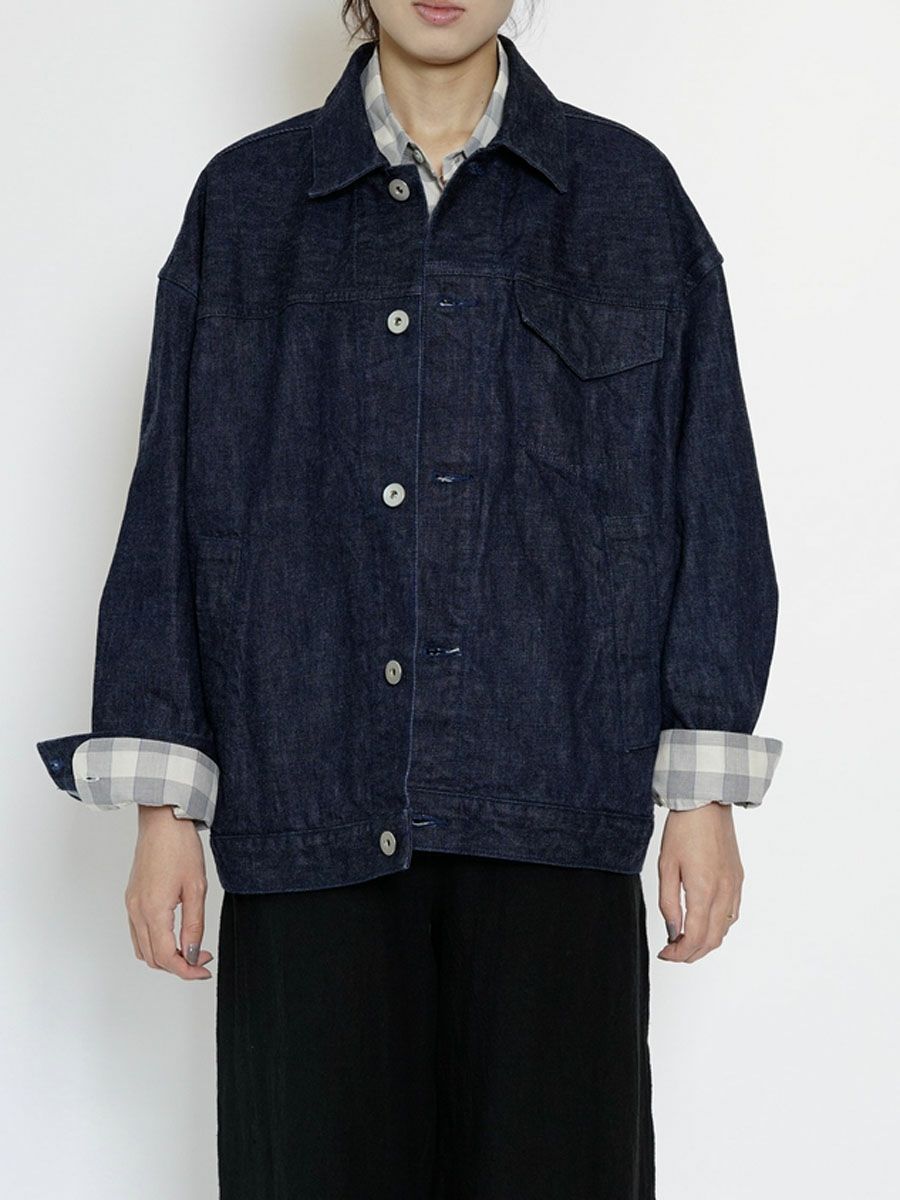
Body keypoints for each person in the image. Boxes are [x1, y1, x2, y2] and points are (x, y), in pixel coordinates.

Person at [35, 2, 783, 1196]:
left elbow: (710, 487)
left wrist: (703, 790)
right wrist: (164, 811)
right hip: (308, 810)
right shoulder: (247, 207)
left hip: (553, 803)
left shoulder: (630, 201)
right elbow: (176, 501)